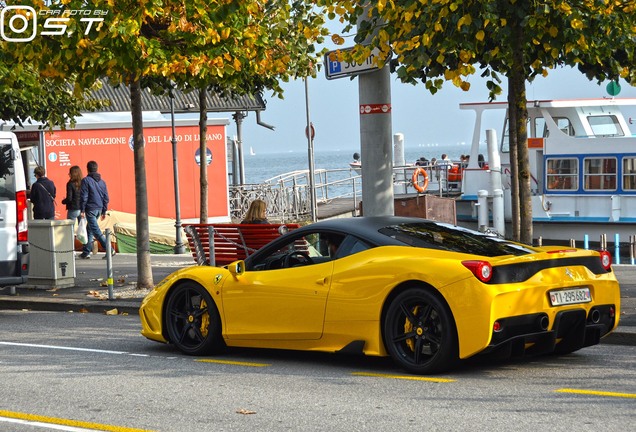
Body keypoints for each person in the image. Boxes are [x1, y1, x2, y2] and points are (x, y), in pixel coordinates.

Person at [79, 161, 113, 259]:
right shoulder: (102, 182)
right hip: (99, 208)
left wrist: (82, 209)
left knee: (95, 230)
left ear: (87, 169)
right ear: (96, 169)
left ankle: (110, 249)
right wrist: (104, 211)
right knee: (89, 230)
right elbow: (106, 197)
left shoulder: (86, 180)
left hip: (90, 208)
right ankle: (86, 252)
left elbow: (84, 196)